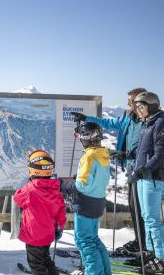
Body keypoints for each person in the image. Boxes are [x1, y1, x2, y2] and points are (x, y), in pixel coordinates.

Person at [71, 87, 147, 256]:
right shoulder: (128, 117)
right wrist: (87, 118)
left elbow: (148, 146)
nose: (128, 104)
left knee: (142, 209)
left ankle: (144, 245)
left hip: (141, 169)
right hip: (130, 167)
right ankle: (139, 240)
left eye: (130, 101)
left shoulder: (146, 121)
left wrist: (128, 154)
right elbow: (111, 123)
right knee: (134, 207)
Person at [61, 122, 111, 275]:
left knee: (84, 241)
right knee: (93, 239)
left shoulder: (89, 156)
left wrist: (64, 186)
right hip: (98, 201)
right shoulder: (103, 153)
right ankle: (104, 271)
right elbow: (95, 179)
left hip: (85, 204)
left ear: (86, 138)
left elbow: (82, 185)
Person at [128, 92, 164, 274]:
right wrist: (129, 155)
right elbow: (145, 150)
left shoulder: (160, 123)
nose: (138, 110)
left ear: (151, 105)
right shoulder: (147, 123)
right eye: (136, 107)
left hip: (153, 177)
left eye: (141, 106)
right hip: (143, 176)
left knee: (152, 219)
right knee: (145, 216)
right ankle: (151, 252)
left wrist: (142, 170)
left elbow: (159, 154)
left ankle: (161, 258)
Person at [13, 150, 66, 275]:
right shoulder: (55, 190)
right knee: (46, 258)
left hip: (33, 236)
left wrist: (27, 183)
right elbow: (61, 211)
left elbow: (17, 198)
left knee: (36, 264)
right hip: (48, 234)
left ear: (32, 170)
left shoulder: (29, 189)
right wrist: (60, 228)